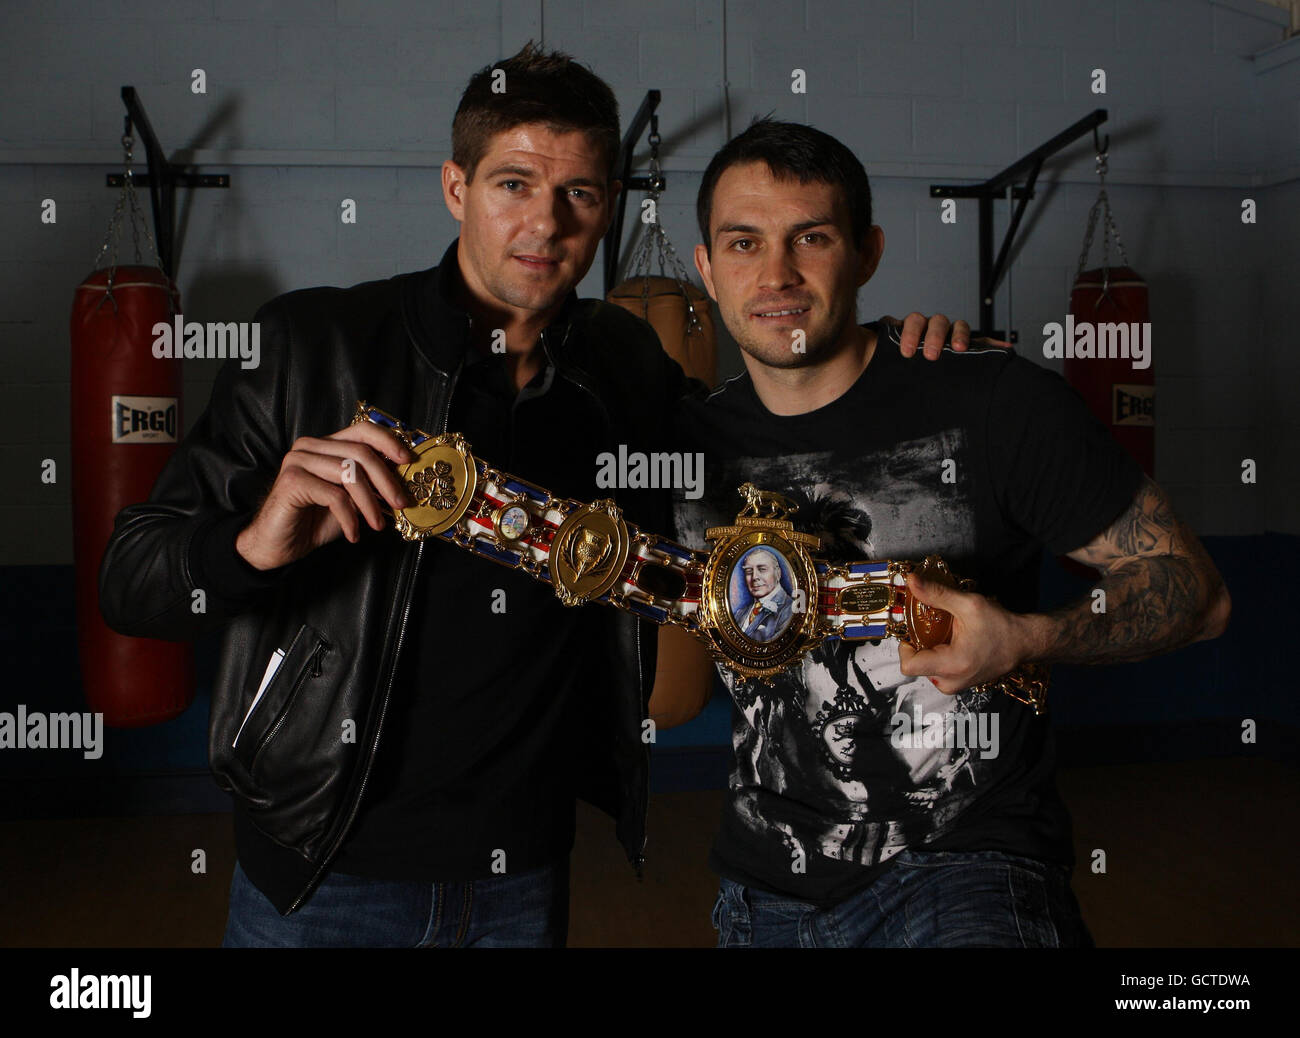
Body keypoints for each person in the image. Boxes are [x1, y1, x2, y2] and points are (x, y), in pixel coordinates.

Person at [96, 42, 974, 948]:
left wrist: (889, 355)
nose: (544, 224)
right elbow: (130, 578)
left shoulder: (624, 367)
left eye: (579, 195)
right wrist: (249, 548)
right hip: (324, 873)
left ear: (607, 213)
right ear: (455, 187)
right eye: (513, 183)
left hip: (522, 878)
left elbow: (762, 440)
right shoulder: (312, 347)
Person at [666, 118, 1231, 948]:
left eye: (810, 238)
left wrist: (1027, 637)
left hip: (965, 868)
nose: (777, 273)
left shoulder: (992, 401)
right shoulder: (682, 448)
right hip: (763, 890)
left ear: (866, 253)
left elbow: (1199, 595)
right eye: (744, 243)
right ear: (707, 270)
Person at [731, 547, 795, 642]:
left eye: (762, 569)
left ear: (778, 573)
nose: (754, 577)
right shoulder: (740, 613)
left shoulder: (791, 610)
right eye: (749, 571)